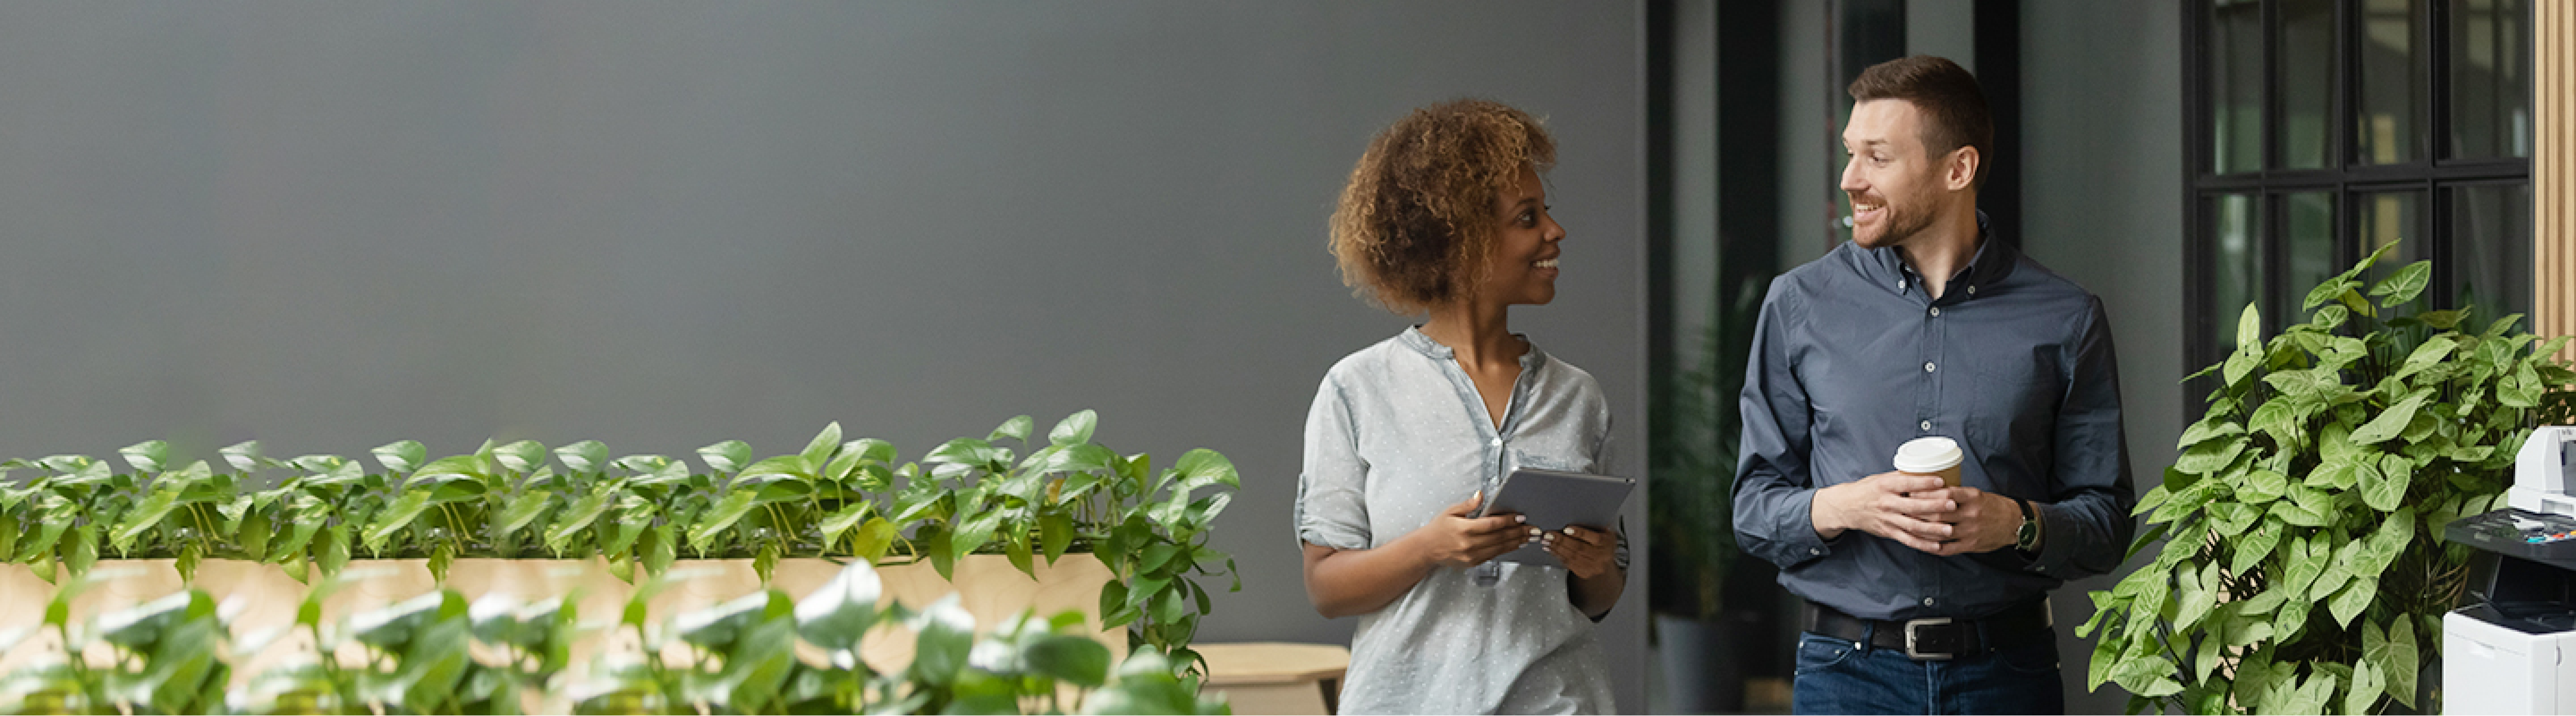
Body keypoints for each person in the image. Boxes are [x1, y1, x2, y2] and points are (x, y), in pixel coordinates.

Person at [1732, 55, 2135, 715]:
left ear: (1959, 169)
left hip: (2009, 677)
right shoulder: (1798, 304)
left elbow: (2107, 522)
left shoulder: (2066, 318)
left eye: (1878, 158)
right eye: (1851, 154)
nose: (1850, 179)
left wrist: (2017, 523)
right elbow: (1753, 507)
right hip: (1846, 678)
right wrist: (1848, 506)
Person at [1295, 98, 1626, 716]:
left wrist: (1596, 564)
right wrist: (1429, 548)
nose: (1554, 232)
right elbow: (1326, 587)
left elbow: (1599, 597)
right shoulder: (1356, 390)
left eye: (1545, 212)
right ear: (1462, 240)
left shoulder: (1579, 397)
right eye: (1527, 218)